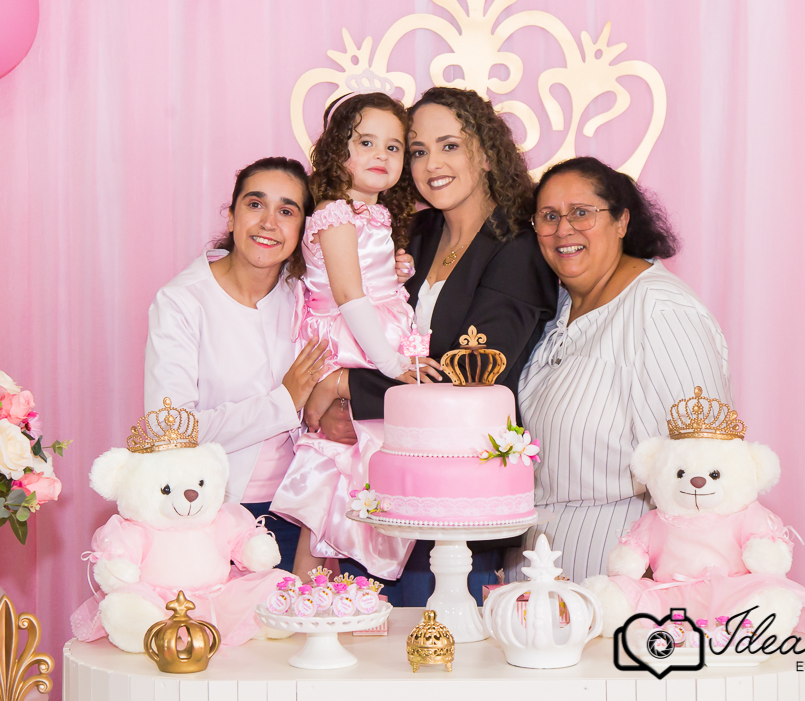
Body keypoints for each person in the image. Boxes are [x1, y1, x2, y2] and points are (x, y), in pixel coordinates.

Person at [303, 86, 559, 602]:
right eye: (417, 150)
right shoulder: (411, 232)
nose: (431, 164)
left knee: (443, 640)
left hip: (455, 496)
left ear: (486, 154)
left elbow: (472, 373)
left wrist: (344, 387)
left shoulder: (517, 248)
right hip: (375, 482)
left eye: (450, 146)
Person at [506, 157, 732, 583]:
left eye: (581, 213)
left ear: (622, 221)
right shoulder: (555, 308)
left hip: (623, 568)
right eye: (548, 216)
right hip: (539, 564)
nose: (563, 229)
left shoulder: (661, 310)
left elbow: (702, 461)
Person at [144, 157, 330, 571]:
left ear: (303, 229)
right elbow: (168, 431)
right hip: (209, 513)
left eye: (287, 211)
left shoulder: (305, 295)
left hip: (297, 512)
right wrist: (284, 402)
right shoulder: (182, 301)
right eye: (255, 204)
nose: (269, 223)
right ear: (231, 216)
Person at [271, 92, 429, 580]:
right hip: (351, 343)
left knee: (354, 478)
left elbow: (366, 281)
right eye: (366, 143)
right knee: (332, 473)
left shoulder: (371, 216)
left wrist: (397, 272)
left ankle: (337, 594)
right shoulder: (336, 215)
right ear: (338, 150)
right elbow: (349, 297)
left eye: (393, 147)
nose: (381, 155)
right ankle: (306, 594)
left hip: (369, 337)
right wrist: (391, 366)